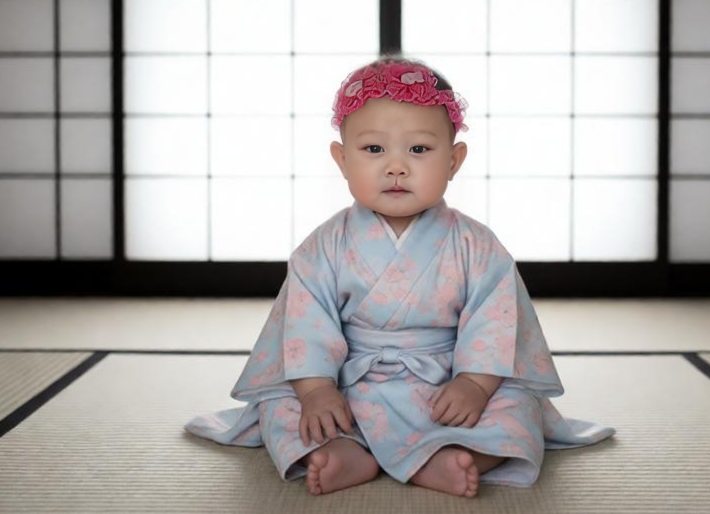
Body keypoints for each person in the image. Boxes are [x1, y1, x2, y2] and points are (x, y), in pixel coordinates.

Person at [186, 57, 614, 497]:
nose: (396, 167)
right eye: (374, 150)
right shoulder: (322, 247)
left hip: (445, 387)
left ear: (454, 159)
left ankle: (457, 456)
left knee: (515, 403)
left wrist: (474, 383)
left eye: (419, 150)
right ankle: (345, 451)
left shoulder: (478, 246)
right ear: (341, 159)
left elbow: (497, 325)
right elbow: (303, 327)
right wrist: (316, 390)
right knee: (282, 403)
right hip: (349, 386)